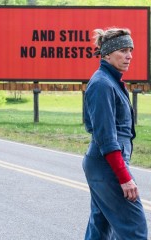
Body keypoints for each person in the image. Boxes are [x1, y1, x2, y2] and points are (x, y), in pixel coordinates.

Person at [83, 27, 148, 239]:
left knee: (100, 227)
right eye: (123, 50)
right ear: (107, 54)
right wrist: (124, 177)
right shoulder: (102, 84)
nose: (129, 56)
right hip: (107, 165)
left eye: (130, 50)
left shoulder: (110, 80)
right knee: (134, 229)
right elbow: (106, 138)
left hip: (104, 164)